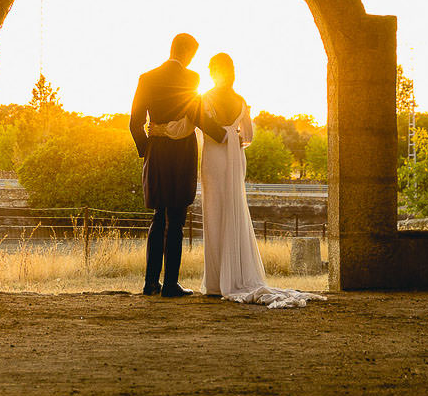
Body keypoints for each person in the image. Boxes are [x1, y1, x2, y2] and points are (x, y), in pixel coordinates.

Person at [199, 52, 324, 309]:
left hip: (213, 156)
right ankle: (234, 275)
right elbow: (249, 136)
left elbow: (202, 127)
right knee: (235, 208)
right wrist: (233, 138)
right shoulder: (240, 100)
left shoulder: (206, 98)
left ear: (214, 71)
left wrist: (221, 136)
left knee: (214, 211)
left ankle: (215, 282)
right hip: (234, 159)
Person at [129, 33, 225, 297]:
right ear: (189, 53)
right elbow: (198, 115)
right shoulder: (191, 79)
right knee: (177, 220)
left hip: (157, 152)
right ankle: (170, 284)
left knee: (158, 217)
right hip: (182, 153)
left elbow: (134, 123)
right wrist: (224, 135)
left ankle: (150, 283)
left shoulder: (146, 78)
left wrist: (147, 149)